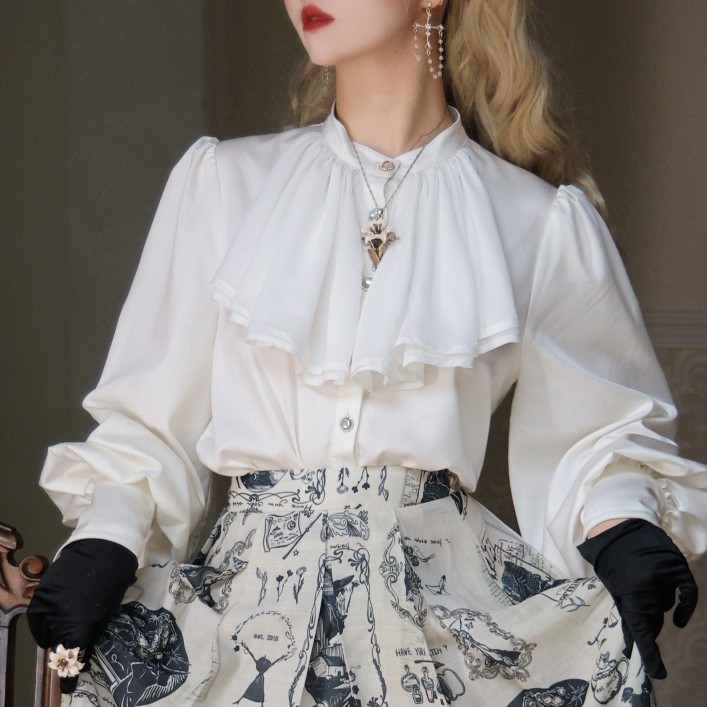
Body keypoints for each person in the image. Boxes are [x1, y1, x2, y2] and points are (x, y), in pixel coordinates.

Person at [27, 1, 707, 705]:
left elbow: (595, 438)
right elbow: (149, 426)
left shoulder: (540, 220)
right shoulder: (223, 184)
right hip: (238, 625)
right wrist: (105, 538)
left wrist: (624, 529)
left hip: (442, 624)